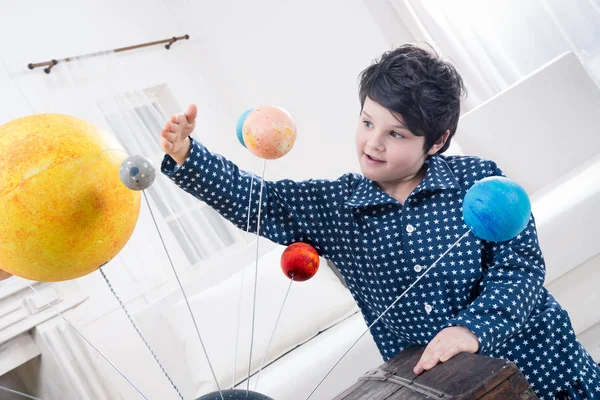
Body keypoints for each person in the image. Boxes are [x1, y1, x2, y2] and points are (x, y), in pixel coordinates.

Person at [159, 44, 600, 399]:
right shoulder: (335, 207)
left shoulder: (481, 180)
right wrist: (187, 156)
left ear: (438, 139)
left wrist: (472, 330)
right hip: (449, 391)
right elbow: (259, 200)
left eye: (396, 134)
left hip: (546, 367)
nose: (373, 143)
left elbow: (520, 270)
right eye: (368, 121)